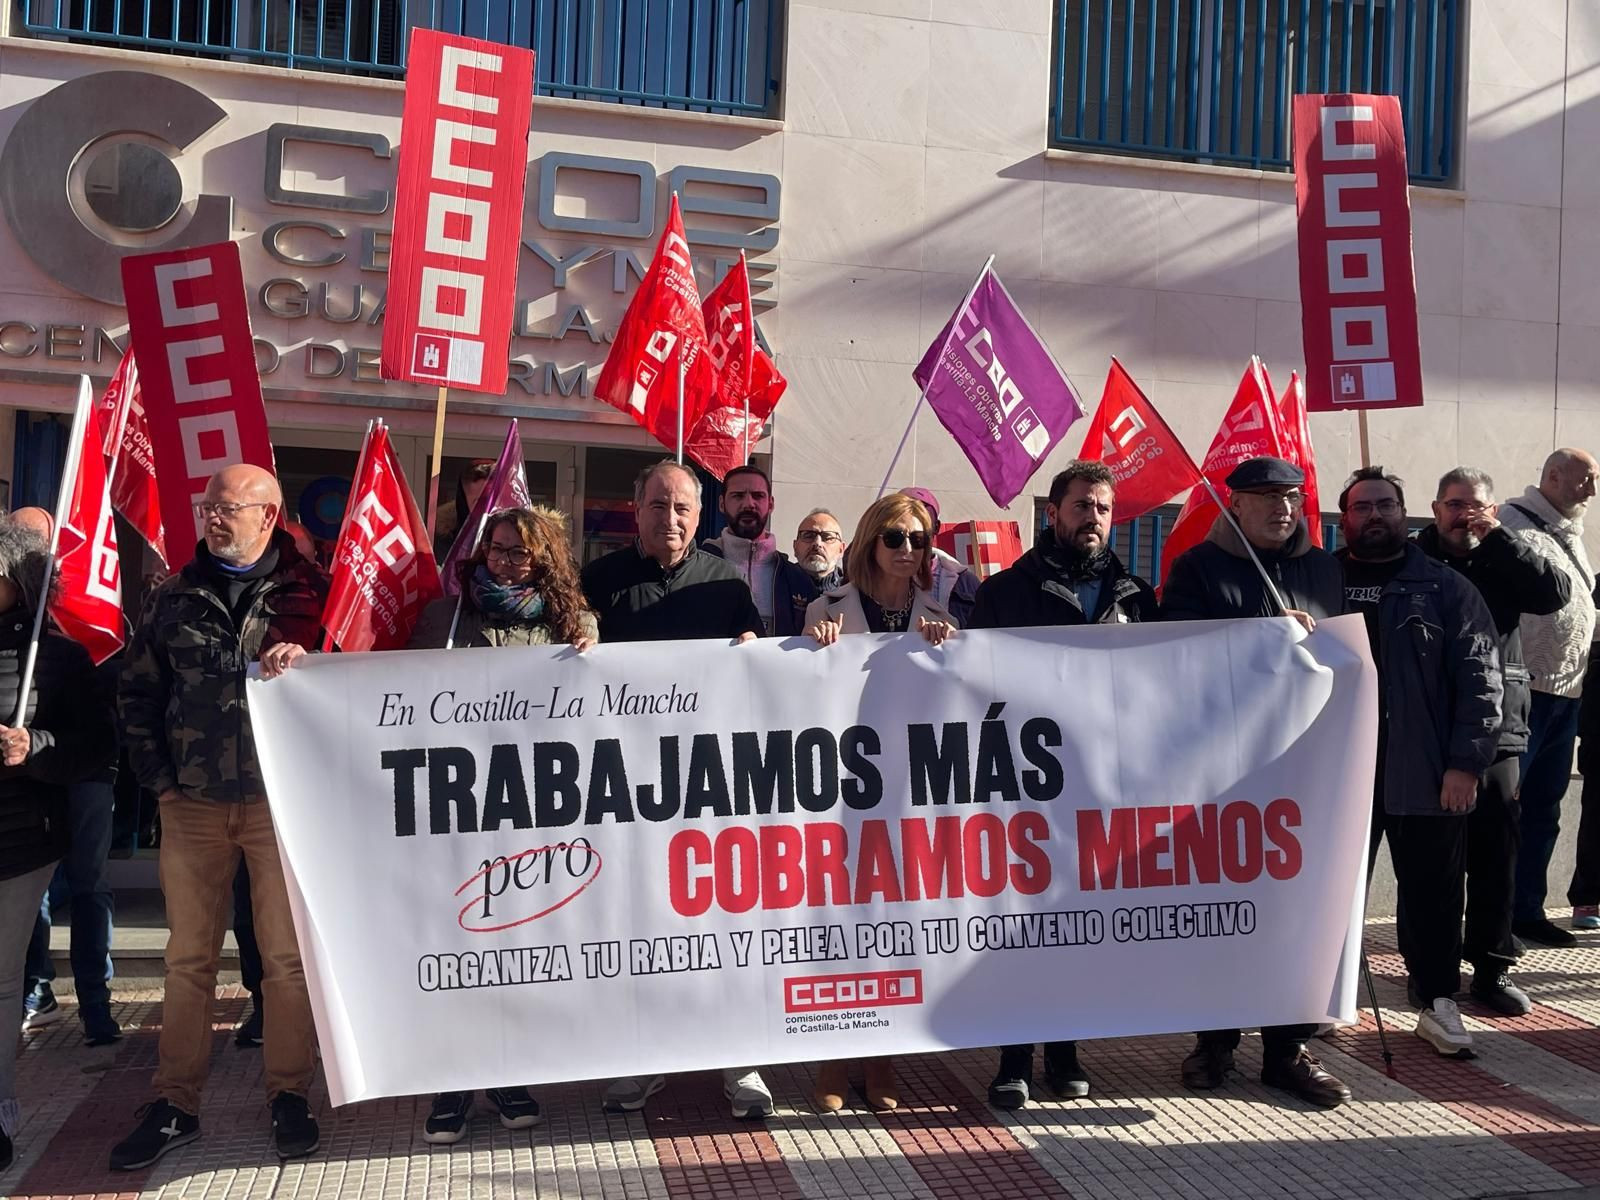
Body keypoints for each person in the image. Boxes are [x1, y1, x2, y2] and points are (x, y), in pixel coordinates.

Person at [111, 465, 329, 1170]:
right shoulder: (173, 598)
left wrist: (318, 658)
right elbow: (137, 693)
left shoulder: (311, 598)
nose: (212, 516)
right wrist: (161, 783)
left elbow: (355, 685)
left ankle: (289, 1094)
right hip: (195, 807)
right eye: (208, 505)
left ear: (268, 517)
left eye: (227, 507)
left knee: (286, 962)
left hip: (280, 806)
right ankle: (177, 1101)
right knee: (188, 960)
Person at [580, 460, 771, 1119]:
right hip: (625, 795)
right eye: (659, 504)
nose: (672, 518)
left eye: (684, 507)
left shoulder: (724, 582)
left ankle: (740, 1061)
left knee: (726, 925)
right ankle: (642, 1062)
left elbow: (761, 668)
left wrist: (755, 647)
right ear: (636, 509)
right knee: (640, 931)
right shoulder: (598, 582)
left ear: (701, 515)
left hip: (710, 791)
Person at [1160, 456, 1351, 1108]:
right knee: (1225, 913)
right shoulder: (1198, 569)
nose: (1282, 508)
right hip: (1225, 774)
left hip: (1304, 771)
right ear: (1234, 504)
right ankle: (1215, 1041)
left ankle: (1287, 1050)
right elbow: (1174, 652)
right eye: (1266, 497)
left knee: (1296, 914)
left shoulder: (1324, 569)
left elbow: (1348, 656)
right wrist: (1260, 638)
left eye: (1292, 497)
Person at [968, 460, 1156, 1110]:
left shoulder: (1137, 596)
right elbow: (973, 684)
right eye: (1082, 507)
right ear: (1054, 514)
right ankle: (1014, 1059)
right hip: (1028, 787)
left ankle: (1067, 1051)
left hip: (1103, 790)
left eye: (1104, 508)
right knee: (1022, 925)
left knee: (1078, 925)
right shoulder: (1006, 592)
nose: (1094, 519)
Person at [408, 506, 596, 1142]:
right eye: (498, 548)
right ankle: (453, 1083)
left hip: (531, 811)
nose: (507, 560)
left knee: (516, 947)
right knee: (460, 946)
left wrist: (590, 653)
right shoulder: (445, 616)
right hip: (458, 809)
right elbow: (399, 698)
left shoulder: (573, 623)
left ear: (544, 560)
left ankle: (508, 1071)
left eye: (520, 552)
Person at [1336, 467, 1502, 1056]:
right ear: (1345, 517)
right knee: (1333, 892)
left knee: (1433, 897)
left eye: (1386, 505)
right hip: (1335, 777)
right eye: (1362, 507)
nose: (1374, 516)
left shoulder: (1446, 587)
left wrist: (1466, 764)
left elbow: (1482, 684)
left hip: (1426, 774)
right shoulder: (1315, 584)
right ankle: (1326, 1001)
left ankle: (1437, 1003)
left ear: (1408, 515)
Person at [804, 492, 956, 1113]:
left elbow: (955, 705)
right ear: (870, 540)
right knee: (838, 924)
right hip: (840, 793)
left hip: (908, 796)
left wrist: (946, 650)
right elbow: (799, 696)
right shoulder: (825, 606)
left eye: (918, 540)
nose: (906, 550)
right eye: (894, 537)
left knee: (893, 929)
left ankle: (882, 1059)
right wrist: (810, 644)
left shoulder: (939, 613)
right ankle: (834, 1062)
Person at [1416, 468, 1570, 1013]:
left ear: (1492, 508)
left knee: (1496, 854)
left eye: (1475, 505)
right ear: (1435, 509)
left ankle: (1491, 968)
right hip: (1427, 731)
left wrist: (1499, 537)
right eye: (1454, 505)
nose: (1464, 515)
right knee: (1431, 862)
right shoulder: (1415, 560)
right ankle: (1428, 970)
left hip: (1497, 729)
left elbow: (1554, 594)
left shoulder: (1503, 554)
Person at [0, 521, 116, 1172]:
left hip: (24, 836)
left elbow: (98, 744)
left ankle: (1, 1110)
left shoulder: (62, 656)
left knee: (2, 979)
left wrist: (32, 749)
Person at [1499, 448, 1600, 946]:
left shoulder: (1568, 531)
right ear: (1554, 476)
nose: (1592, 492)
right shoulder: (1511, 523)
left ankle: (1527, 910)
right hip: (1523, 693)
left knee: (1545, 807)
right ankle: (1495, 918)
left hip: (1568, 692)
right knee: (1505, 809)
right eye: (1586, 480)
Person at [701, 464, 819, 637]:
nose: (748, 504)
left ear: (770, 504)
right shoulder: (697, 570)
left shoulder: (798, 579)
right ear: (721, 504)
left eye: (758, 496)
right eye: (738, 496)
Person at [898, 487, 979, 625]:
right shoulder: (869, 580)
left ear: (936, 528)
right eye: (897, 534)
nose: (908, 546)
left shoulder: (965, 584)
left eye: (919, 533)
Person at [432, 459, 496, 563]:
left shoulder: (523, 535)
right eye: (478, 502)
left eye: (492, 500)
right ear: (465, 502)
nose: (488, 508)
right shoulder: (446, 539)